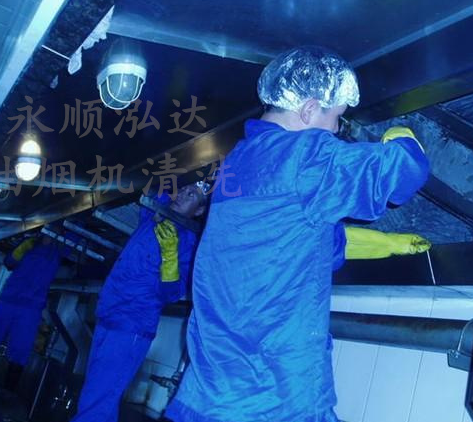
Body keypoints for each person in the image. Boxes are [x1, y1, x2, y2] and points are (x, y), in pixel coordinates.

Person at [166, 45, 430, 422]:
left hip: (208, 395)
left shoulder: (239, 163)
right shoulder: (303, 154)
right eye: (336, 117)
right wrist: (401, 135)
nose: (336, 130)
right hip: (274, 399)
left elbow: (309, 243)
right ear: (308, 110)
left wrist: (387, 245)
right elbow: (407, 171)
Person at [71, 183, 208, 422]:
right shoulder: (155, 215)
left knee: (95, 404)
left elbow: (171, 294)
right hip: (108, 316)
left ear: (198, 210)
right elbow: (152, 184)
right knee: (98, 400)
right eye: (183, 189)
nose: (182, 195)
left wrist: (170, 256)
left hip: (130, 327)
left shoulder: (188, 242)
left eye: (191, 195)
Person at [0, 234, 64, 390]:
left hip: (31, 306)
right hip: (8, 300)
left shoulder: (59, 248)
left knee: (21, 348)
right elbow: (9, 262)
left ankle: (7, 394)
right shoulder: (29, 243)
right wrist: (25, 246)